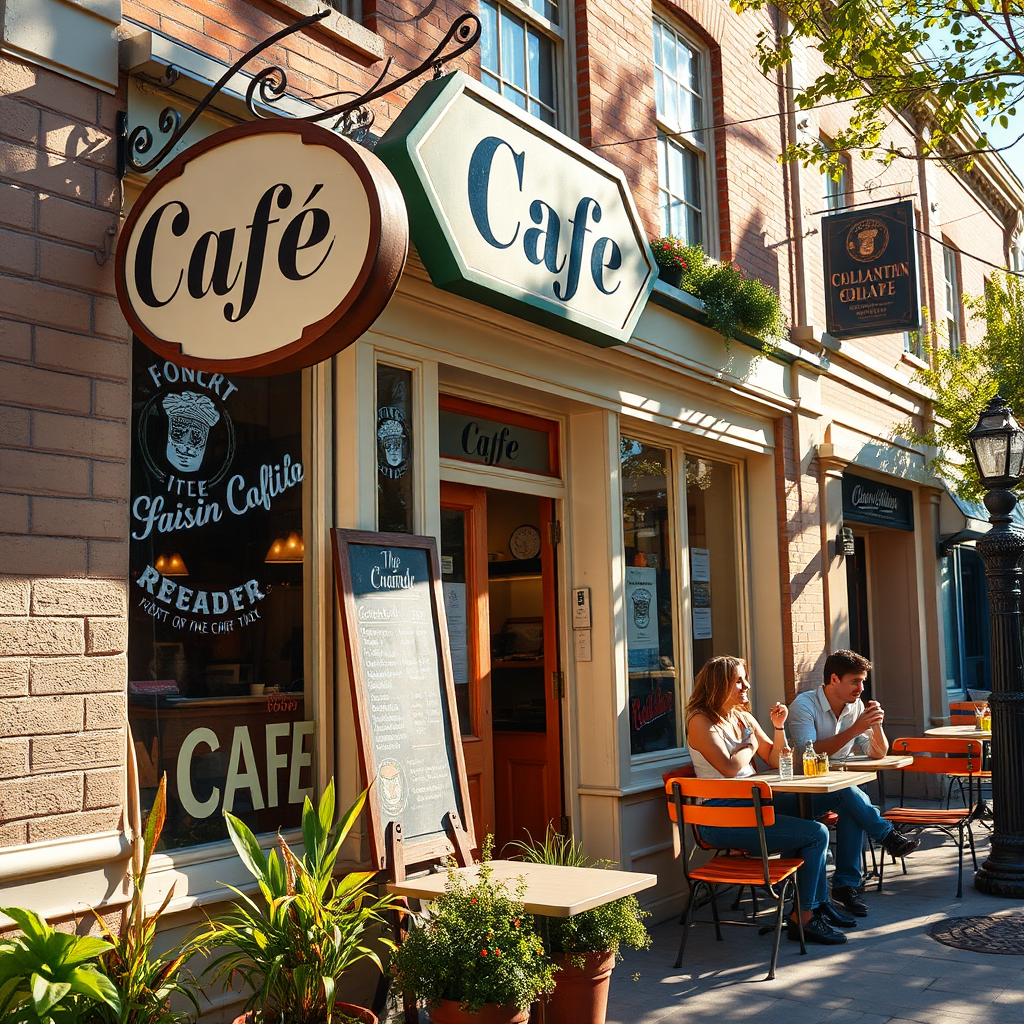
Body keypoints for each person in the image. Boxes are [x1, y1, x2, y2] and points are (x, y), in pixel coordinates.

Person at [685, 655, 851, 946]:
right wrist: (749, 743)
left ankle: (814, 904)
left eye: (744, 678)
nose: (746, 685)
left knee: (828, 800)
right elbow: (729, 768)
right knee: (815, 834)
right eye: (738, 679)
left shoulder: (742, 717)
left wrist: (778, 727)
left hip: (752, 809)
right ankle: (805, 917)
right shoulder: (701, 721)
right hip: (719, 819)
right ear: (718, 685)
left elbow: (775, 759)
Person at [786, 649, 919, 917]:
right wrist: (856, 729)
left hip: (838, 791)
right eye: (855, 681)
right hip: (801, 794)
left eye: (863, 682)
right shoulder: (804, 705)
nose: (861, 688)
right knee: (847, 792)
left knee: (849, 800)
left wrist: (876, 724)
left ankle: (846, 885)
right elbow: (805, 753)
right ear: (834, 679)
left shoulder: (855, 707)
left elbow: (877, 753)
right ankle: (884, 837)